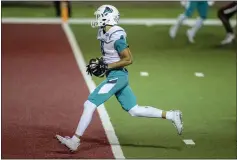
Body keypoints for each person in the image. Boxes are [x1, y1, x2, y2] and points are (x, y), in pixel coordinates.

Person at [56, 4, 183, 152]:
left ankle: (75, 140)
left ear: (107, 17)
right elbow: (110, 56)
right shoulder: (104, 31)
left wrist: (107, 67)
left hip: (117, 76)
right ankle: (171, 115)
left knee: (89, 104)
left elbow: (128, 59)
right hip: (116, 75)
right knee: (134, 110)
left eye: (100, 16)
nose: (97, 19)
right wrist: (103, 63)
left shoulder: (117, 35)